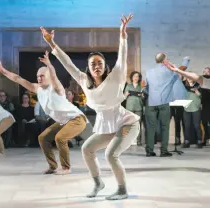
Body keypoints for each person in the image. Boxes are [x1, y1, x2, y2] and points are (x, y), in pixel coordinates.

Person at [40, 14, 140, 200]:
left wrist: (122, 35)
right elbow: (67, 62)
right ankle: (98, 183)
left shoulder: (116, 76)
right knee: (87, 149)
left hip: (126, 123)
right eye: (92, 63)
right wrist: (52, 43)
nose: (96, 66)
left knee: (111, 155)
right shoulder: (84, 81)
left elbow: (123, 54)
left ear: (105, 66)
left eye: (100, 63)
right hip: (108, 125)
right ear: (88, 67)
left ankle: (122, 189)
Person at [0, 51, 87, 175]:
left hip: (77, 119)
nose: (39, 78)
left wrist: (49, 65)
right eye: (38, 76)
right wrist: (1, 69)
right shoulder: (37, 89)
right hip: (63, 122)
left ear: (49, 76)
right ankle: (52, 166)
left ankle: (66, 168)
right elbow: (18, 79)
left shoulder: (57, 88)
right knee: (43, 138)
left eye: (42, 76)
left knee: (60, 138)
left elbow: (54, 77)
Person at [144, 54, 188, 157]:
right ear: (164, 61)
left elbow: (146, 87)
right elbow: (181, 70)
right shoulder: (169, 72)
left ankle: (149, 151)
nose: (168, 60)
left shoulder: (149, 72)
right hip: (163, 102)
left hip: (151, 102)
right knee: (164, 127)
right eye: (167, 59)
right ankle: (164, 151)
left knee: (151, 127)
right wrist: (185, 61)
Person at [124, 71, 144, 145]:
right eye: (134, 76)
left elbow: (143, 98)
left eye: (137, 76)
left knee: (138, 125)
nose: (136, 78)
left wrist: (142, 95)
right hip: (130, 108)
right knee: (129, 125)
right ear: (132, 77)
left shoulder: (141, 86)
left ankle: (138, 141)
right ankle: (128, 141)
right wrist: (126, 94)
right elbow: (124, 97)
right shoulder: (128, 86)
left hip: (139, 107)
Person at [182, 78, 203, 148]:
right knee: (187, 126)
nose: (189, 79)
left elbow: (201, 96)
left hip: (196, 108)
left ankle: (199, 141)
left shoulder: (198, 86)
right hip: (187, 108)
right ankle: (187, 141)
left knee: (197, 126)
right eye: (188, 78)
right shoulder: (184, 87)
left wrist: (196, 91)